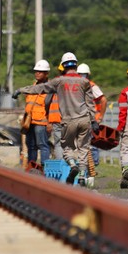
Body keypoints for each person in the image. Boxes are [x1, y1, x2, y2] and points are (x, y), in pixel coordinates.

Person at [14, 52, 97, 185]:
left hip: (68, 121)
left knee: (66, 147)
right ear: (76, 66)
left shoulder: (59, 81)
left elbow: (40, 88)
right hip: (84, 119)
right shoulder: (85, 82)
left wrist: (21, 90)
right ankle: (82, 175)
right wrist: (94, 121)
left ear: (63, 66)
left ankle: (72, 165)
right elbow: (90, 103)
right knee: (83, 147)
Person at [23, 59, 52, 171]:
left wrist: (50, 123)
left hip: (41, 122)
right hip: (30, 122)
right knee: (31, 146)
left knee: (43, 145)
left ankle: (45, 169)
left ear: (46, 74)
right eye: (36, 71)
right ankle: (32, 168)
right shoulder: (33, 86)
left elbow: (51, 107)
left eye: (40, 71)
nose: (37, 73)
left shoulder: (49, 88)